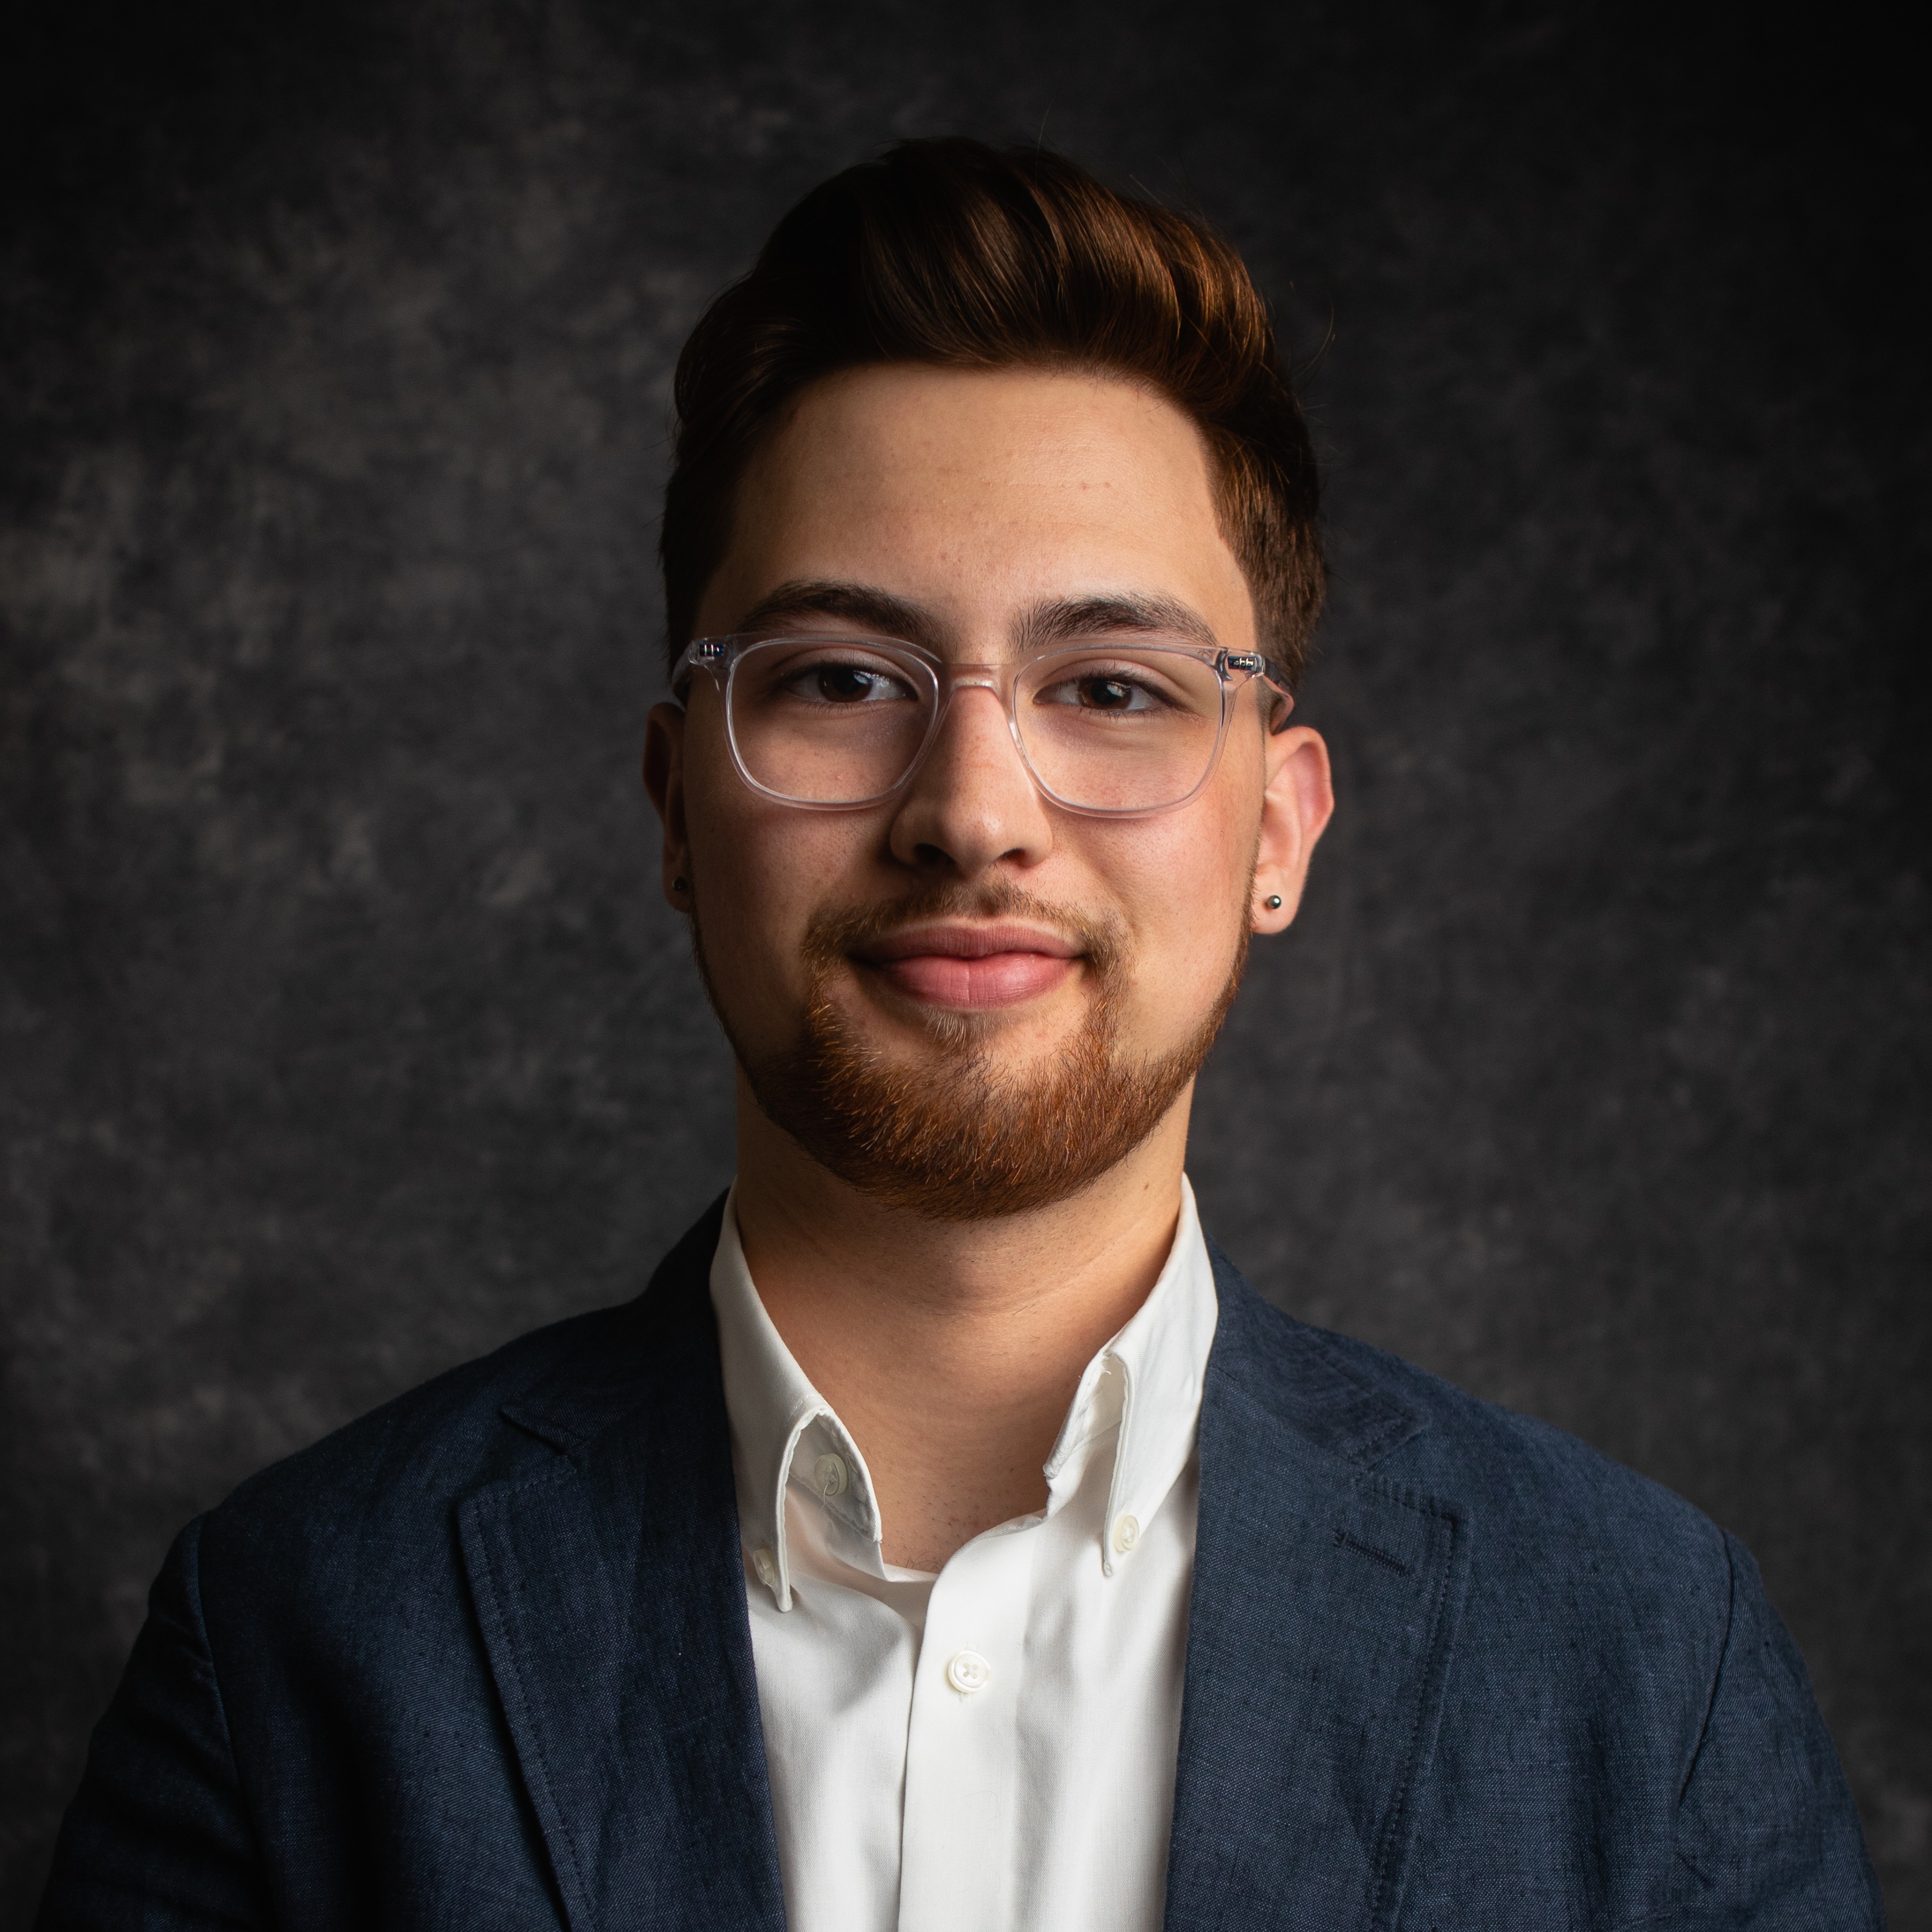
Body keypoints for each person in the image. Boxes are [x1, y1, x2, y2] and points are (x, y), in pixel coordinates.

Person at [39, 137, 1880, 1932]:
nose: (974, 813)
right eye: (844, 679)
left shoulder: (1651, 1667)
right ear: (677, 810)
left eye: (1113, 688)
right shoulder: (292, 1636)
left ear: (1279, 829)